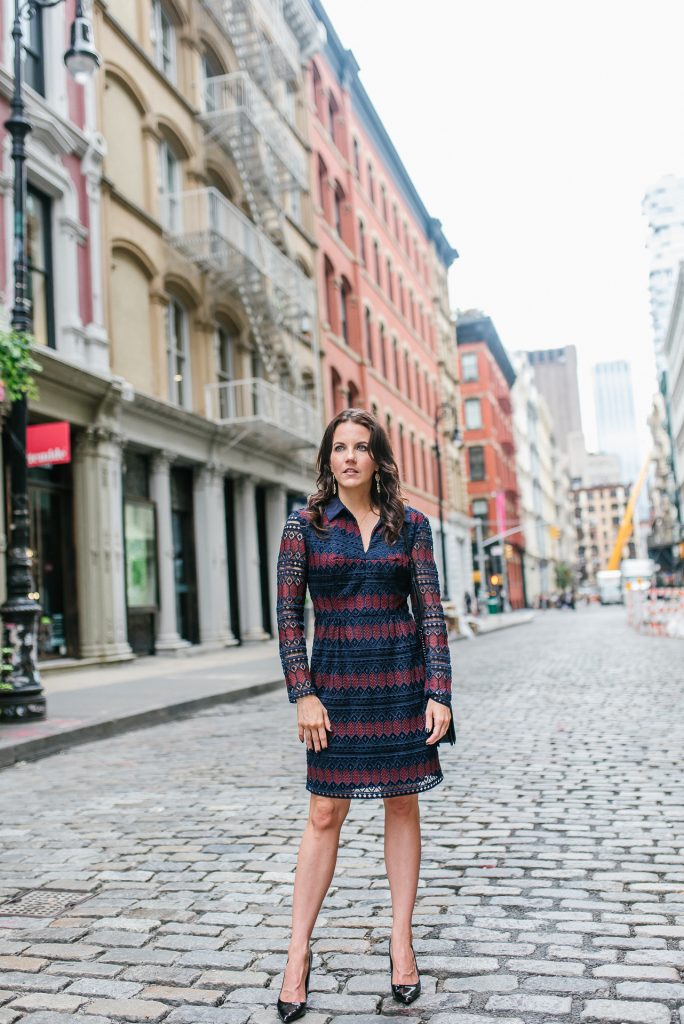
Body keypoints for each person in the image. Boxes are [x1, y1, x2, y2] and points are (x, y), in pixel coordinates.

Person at [275, 408, 453, 1022]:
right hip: (336, 687)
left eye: (361, 447)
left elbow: (430, 612)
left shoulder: (413, 526)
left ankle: (401, 942)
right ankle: (297, 952)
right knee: (324, 811)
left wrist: (440, 691)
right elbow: (289, 617)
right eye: (339, 447)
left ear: (377, 458)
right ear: (328, 458)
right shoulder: (305, 526)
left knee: (403, 802)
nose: (349, 456)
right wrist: (303, 692)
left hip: (401, 680)